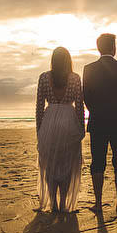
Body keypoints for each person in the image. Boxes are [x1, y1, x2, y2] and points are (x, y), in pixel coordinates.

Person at [83, 33, 117, 214]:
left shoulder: (88, 69)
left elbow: (86, 97)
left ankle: (98, 204)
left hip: (98, 121)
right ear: (114, 47)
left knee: (97, 162)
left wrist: (98, 110)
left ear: (99, 48)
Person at [35, 47, 85, 212]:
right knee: (67, 165)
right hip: (68, 121)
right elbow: (79, 106)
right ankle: (63, 202)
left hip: (49, 122)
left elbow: (39, 106)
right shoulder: (75, 78)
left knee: (50, 164)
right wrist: (81, 128)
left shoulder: (43, 77)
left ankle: (54, 204)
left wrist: (39, 130)